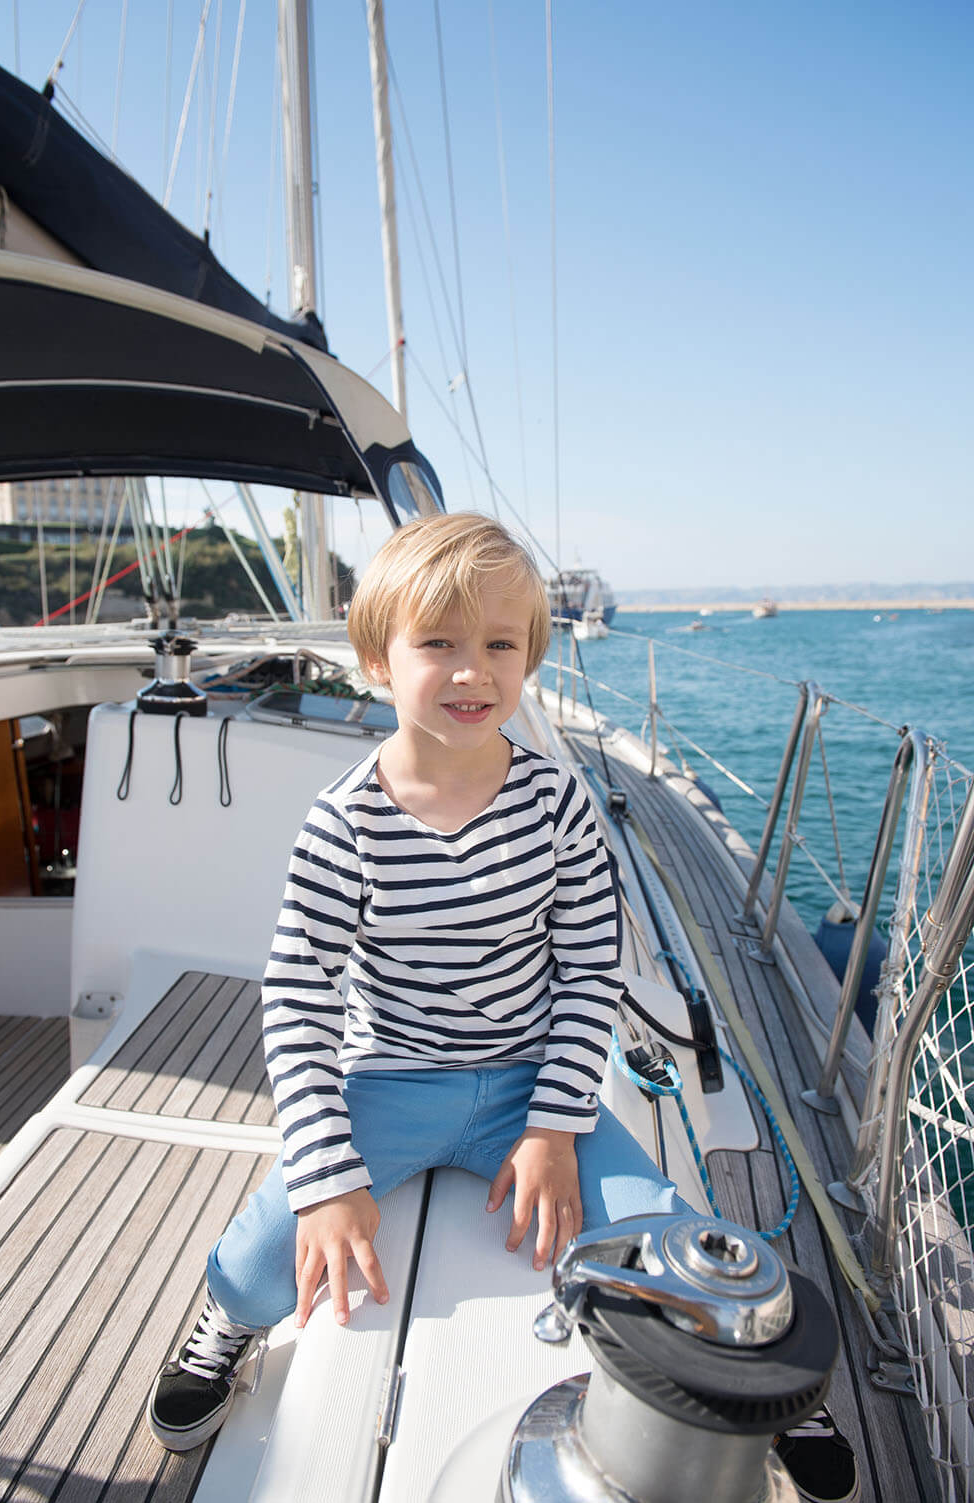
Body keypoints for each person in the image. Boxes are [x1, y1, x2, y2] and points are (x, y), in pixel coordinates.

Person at [145, 511, 860, 1503]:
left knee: (658, 1227)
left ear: (529, 657)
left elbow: (585, 970)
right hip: (388, 1078)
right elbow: (300, 1002)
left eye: (499, 645)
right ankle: (223, 1328)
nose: (473, 670)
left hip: (529, 1082)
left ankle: (761, 1386)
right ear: (377, 660)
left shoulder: (557, 806)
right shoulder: (342, 825)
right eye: (438, 643)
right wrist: (321, 1178)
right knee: (274, 1254)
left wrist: (556, 1129)